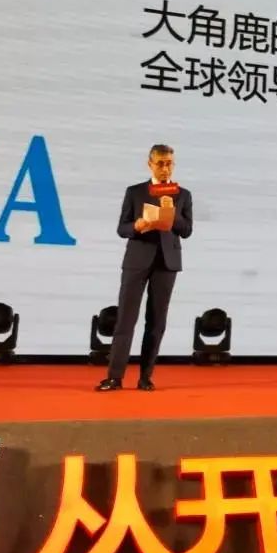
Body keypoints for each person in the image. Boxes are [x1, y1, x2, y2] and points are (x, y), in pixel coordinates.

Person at [96, 144, 193, 392]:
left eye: (169, 163)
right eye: (160, 163)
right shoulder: (135, 192)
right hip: (137, 260)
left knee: (157, 322)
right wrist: (137, 226)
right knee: (126, 319)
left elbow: (187, 230)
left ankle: (146, 377)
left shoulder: (183, 194)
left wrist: (172, 214)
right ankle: (115, 377)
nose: (165, 168)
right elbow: (122, 228)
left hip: (167, 263)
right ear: (150, 164)